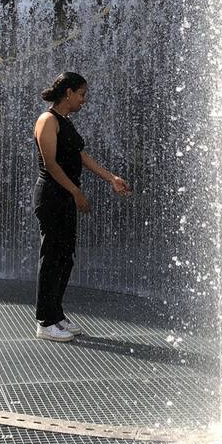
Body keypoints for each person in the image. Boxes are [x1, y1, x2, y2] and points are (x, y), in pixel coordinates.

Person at [33, 72, 131, 342]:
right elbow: (50, 164)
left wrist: (111, 178)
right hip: (52, 195)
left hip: (64, 194)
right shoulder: (47, 120)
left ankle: (56, 314)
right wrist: (76, 192)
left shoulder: (65, 122)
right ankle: (45, 321)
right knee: (52, 257)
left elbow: (80, 155)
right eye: (82, 94)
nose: (84, 100)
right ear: (68, 93)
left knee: (65, 257)